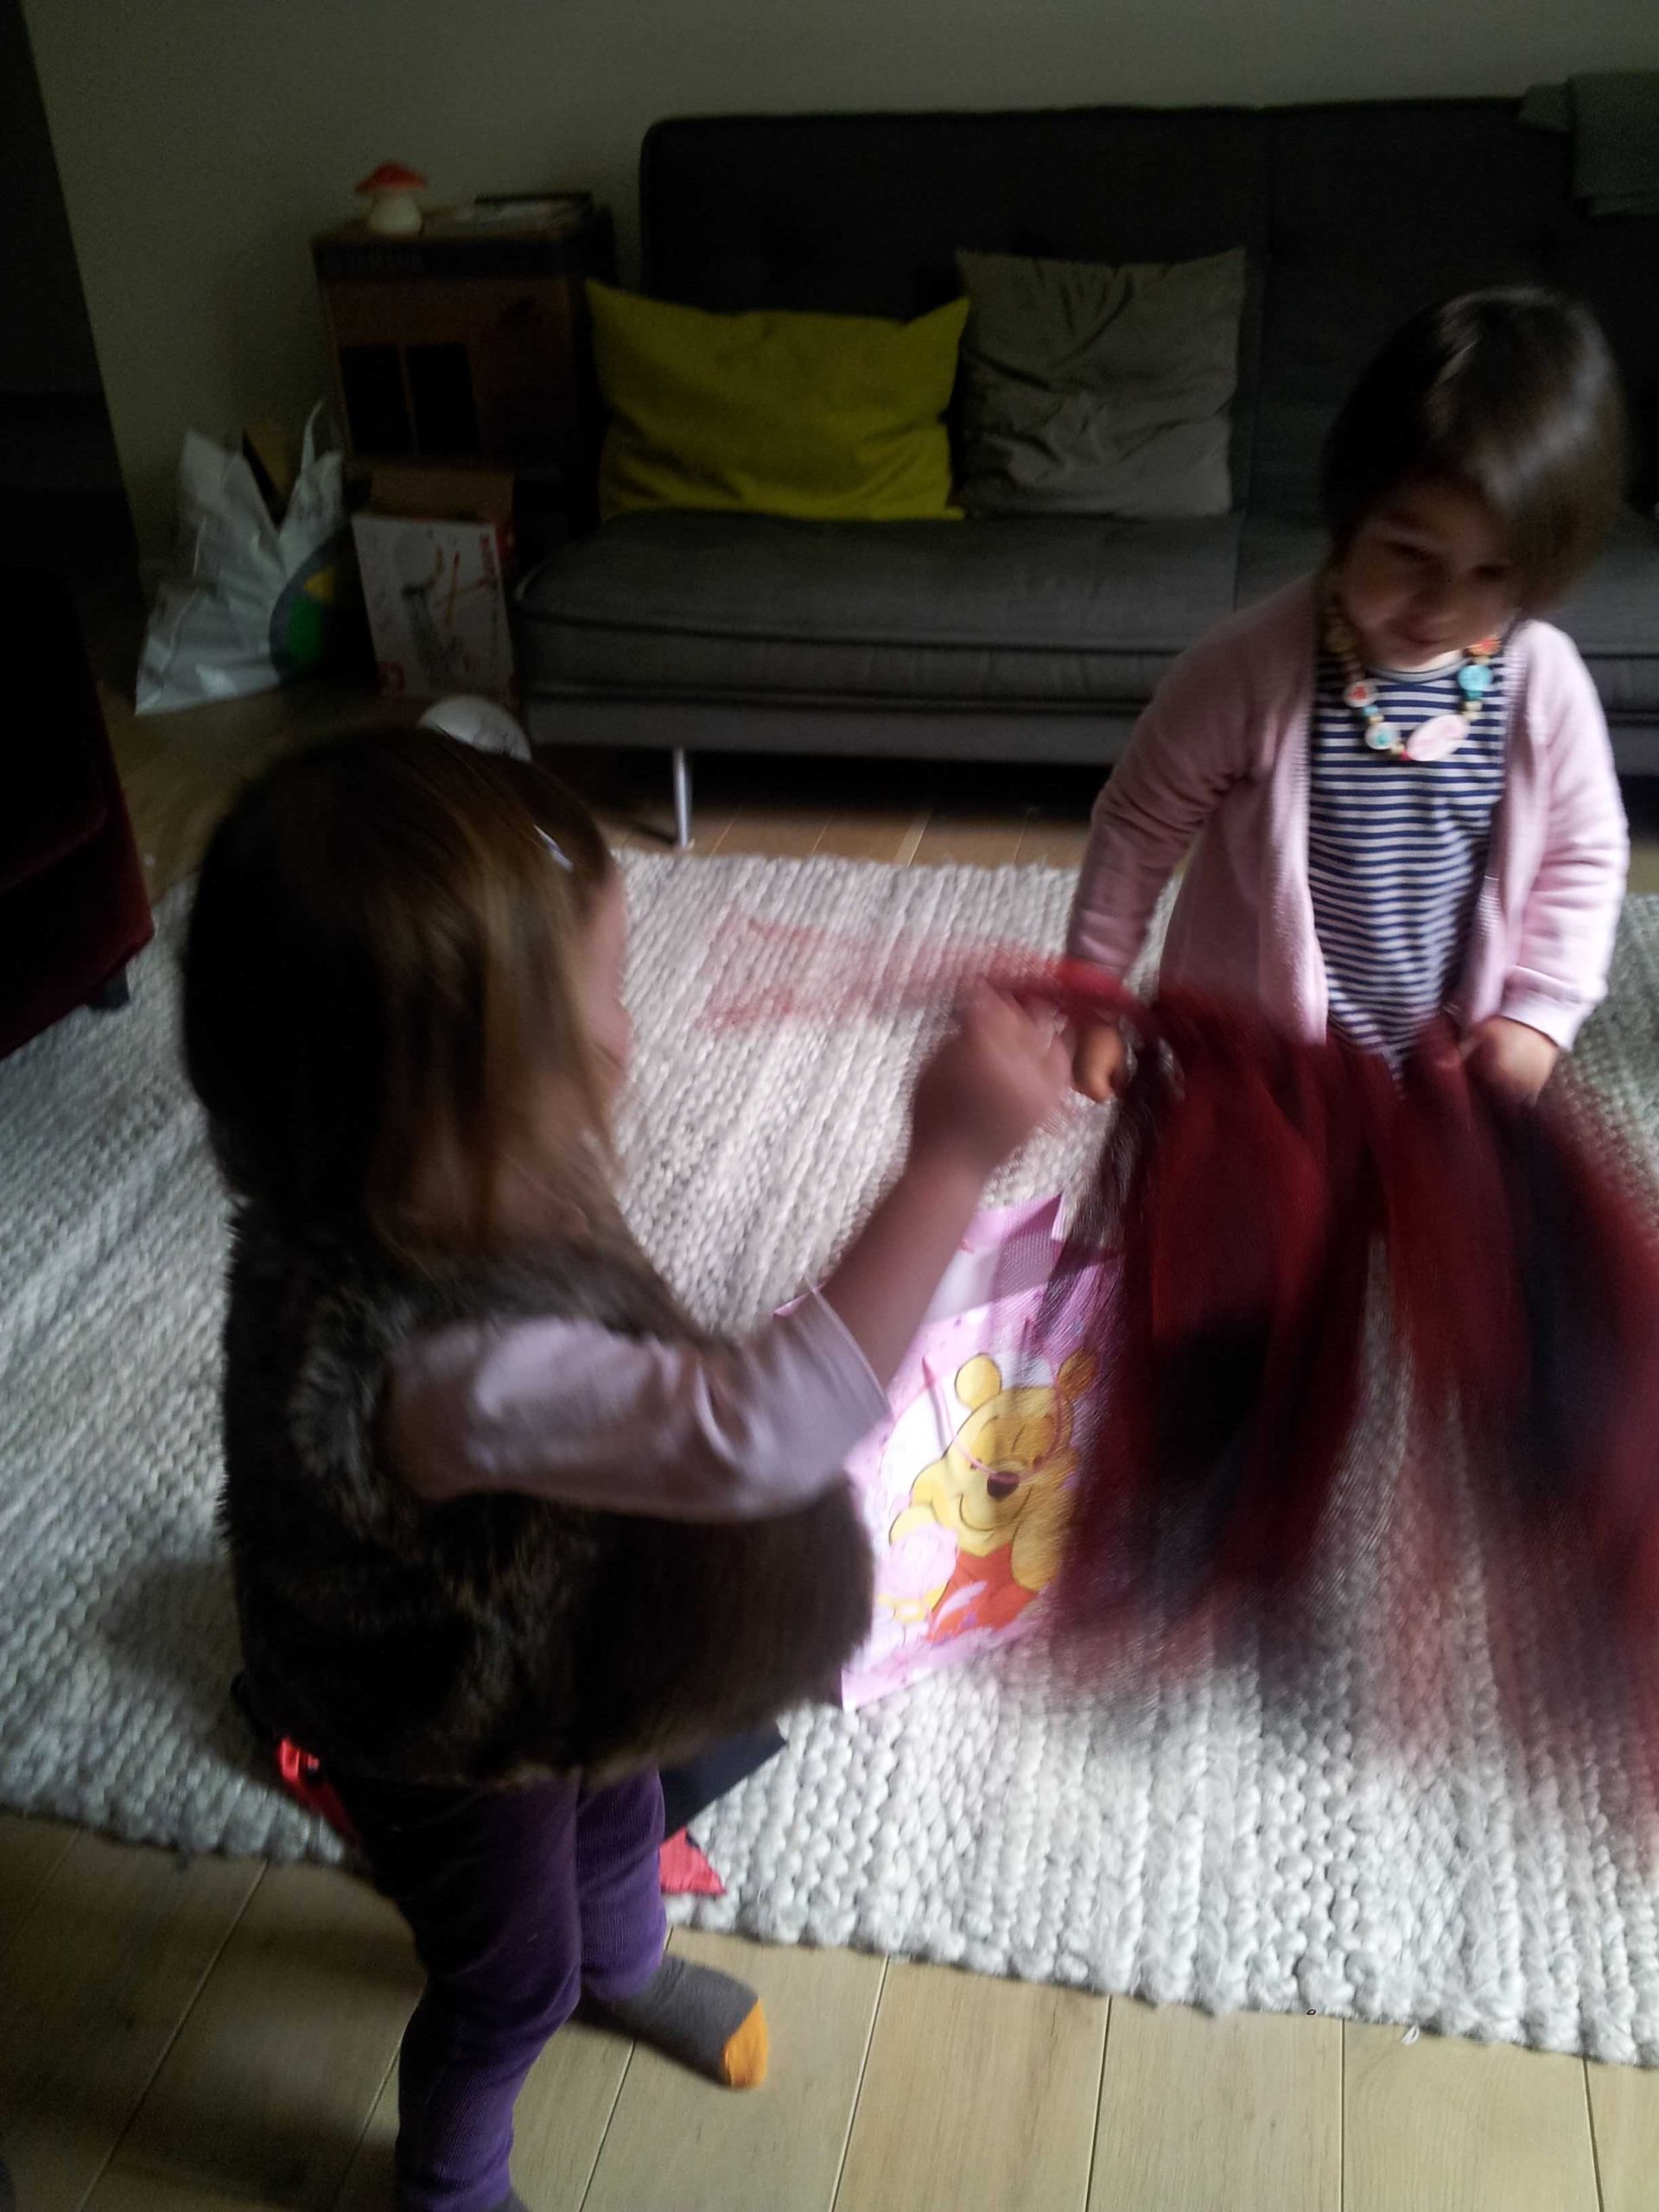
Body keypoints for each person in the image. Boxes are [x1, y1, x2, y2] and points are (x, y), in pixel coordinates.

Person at [181, 728, 1068, 2212]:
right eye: (603, 994)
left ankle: (625, 1962)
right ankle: (451, 2180)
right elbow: (758, 1430)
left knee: (620, 1799)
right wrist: (951, 1160)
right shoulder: (452, 1365)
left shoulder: (409, 1184)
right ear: (474, 1100)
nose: (625, 1030)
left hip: (547, 1625)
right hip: (445, 1723)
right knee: (501, 1981)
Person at [1068, 287, 1630, 1103]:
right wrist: (1094, 995)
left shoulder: (1541, 683)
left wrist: (1541, 1011)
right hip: (1259, 1062)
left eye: (1492, 575)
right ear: (1352, 508)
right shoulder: (1247, 669)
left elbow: (1584, 854)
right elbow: (1138, 825)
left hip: (1444, 1071)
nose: (1441, 607)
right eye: (1410, 556)